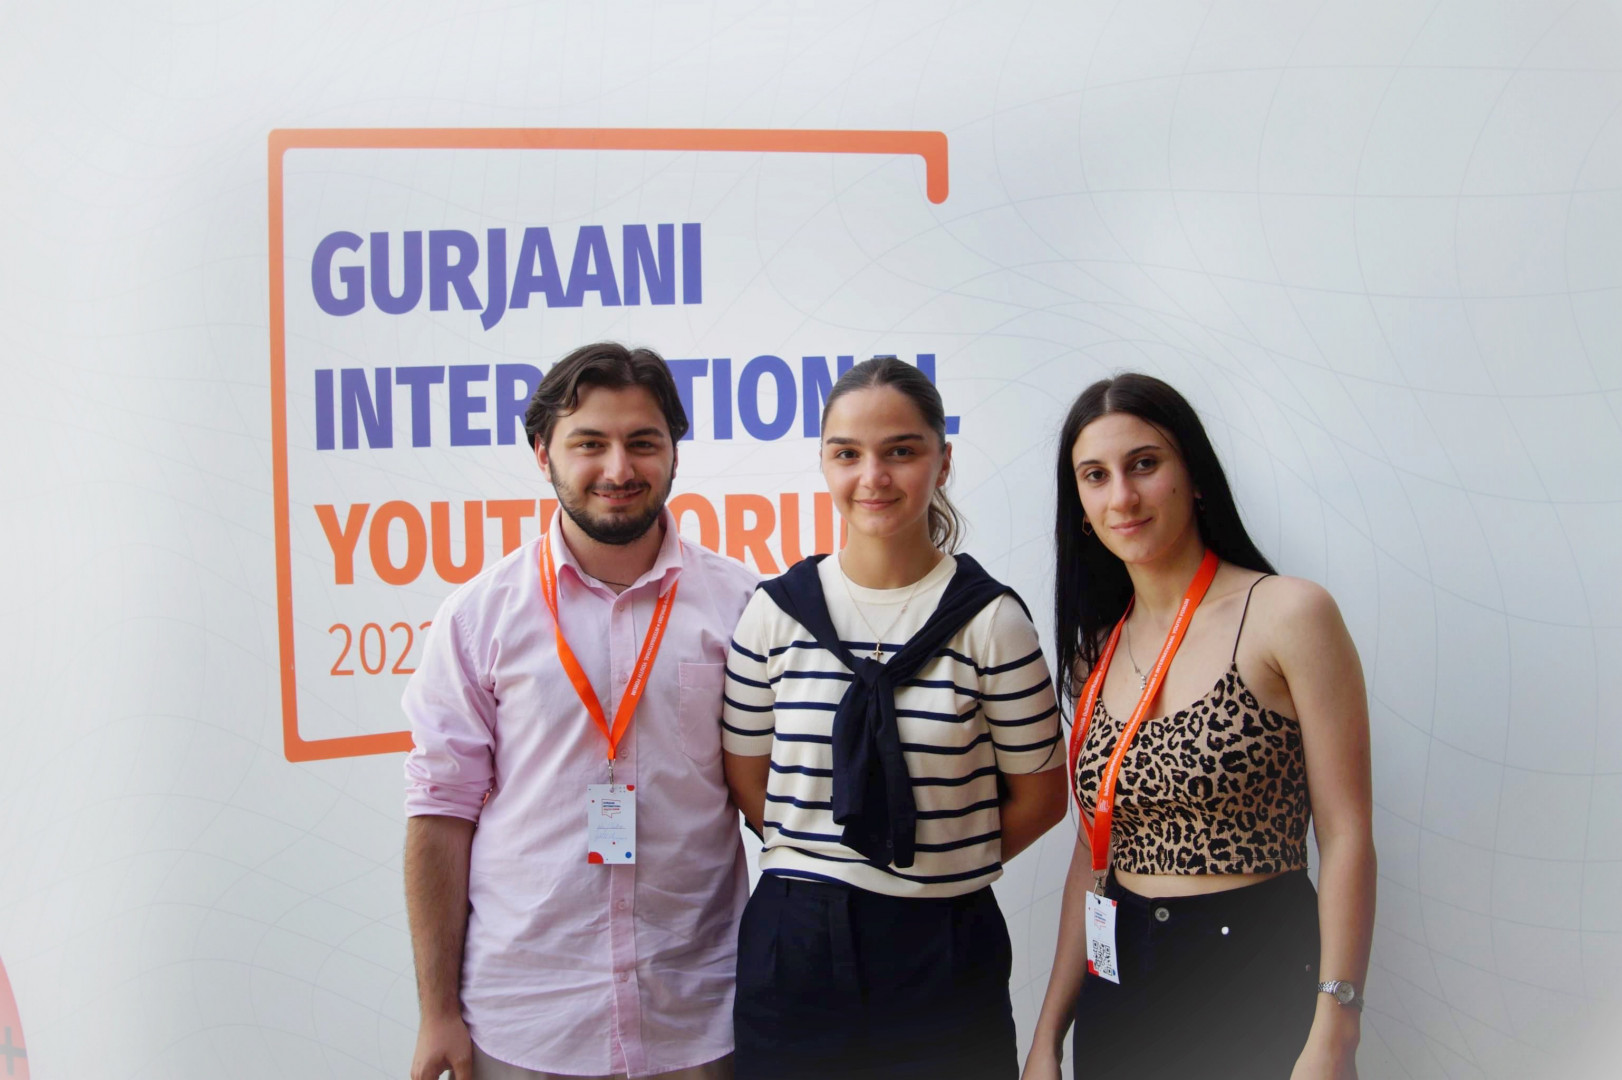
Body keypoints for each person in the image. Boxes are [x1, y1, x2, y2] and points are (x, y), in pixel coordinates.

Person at [402, 343, 758, 1080]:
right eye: (589, 443)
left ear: (675, 452)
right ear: (543, 454)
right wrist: (437, 1012)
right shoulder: (477, 617)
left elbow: (776, 805)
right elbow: (439, 813)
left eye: (643, 442)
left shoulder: (744, 607)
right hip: (529, 1019)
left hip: (700, 1012)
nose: (618, 469)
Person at [722, 356, 1070, 1080]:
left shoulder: (992, 620)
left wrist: (934, 864)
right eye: (847, 454)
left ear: (943, 462)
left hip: (943, 946)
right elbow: (750, 781)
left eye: (901, 451)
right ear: (824, 463)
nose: (873, 477)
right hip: (796, 944)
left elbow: (1042, 797)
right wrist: (828, 858)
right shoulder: (774, 613)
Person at [1023, 373, 1377, 1080]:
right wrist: (1047, 1037)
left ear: (1194, 476)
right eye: (1096, 476)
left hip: (1252, 970)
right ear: (1080, 505)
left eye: (1144, 464)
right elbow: (1092, 850)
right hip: (1120, 983)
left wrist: (1336, 1029)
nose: (1122, 496)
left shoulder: (1287, 614)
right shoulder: (1096, 651)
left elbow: (1346, 834)